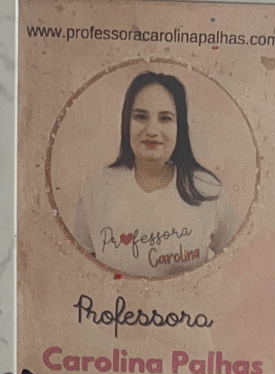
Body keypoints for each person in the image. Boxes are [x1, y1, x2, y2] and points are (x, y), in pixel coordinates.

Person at [72, 71, 237, 278]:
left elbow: (237, 264)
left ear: (179, 127)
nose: (152, 130)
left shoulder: (208, 191)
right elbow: (83, 273)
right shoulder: (96, 191)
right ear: (127, 123)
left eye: (165, 118)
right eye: (141, 117)